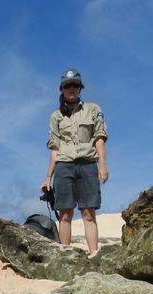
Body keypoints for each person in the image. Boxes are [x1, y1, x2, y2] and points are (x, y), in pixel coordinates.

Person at [41, 68, 108, 256]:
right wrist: (48, 177)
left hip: (87, 165)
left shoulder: (93, 109)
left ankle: (94, 254)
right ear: (61, 89)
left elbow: (99, 139)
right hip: (64, 167)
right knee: (65, 213)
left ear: (80, 88)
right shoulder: (56, 116)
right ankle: (65, 255)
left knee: (88, 212)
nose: (71, 89)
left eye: (75, 85)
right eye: (67, 86)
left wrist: (103, 166)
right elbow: (55, 148)